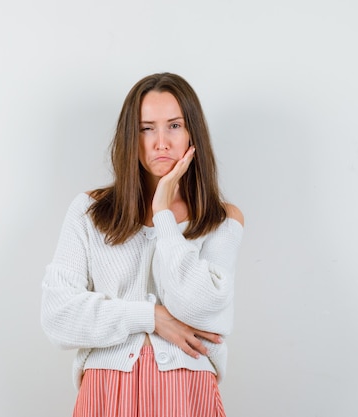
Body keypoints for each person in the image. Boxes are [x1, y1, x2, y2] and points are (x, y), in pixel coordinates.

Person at [41, 73, 244, 417]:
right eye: (146, 128)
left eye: (174, 126)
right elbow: (57, 316)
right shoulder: (89, 212)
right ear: (129, 137)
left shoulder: (221, 219)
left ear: (192, 131)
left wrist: (163, 214)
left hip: (186, 394)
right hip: (105, 393)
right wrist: (149, 317)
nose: (161, 142)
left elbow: (200, 308)